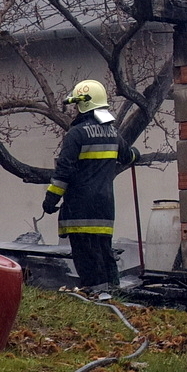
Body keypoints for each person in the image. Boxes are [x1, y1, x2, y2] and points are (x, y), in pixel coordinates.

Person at [41, 80, 139, 289]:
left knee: (87, 259)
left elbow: (63, 171)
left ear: (83, 104)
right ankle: (113, 292)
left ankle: (96, 296)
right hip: (104, 209)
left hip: (80, 209)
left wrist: (51, 198)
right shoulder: (113, 133)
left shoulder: (75, 135)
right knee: (105, 254)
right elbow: (128, 156)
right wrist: (136, 155)